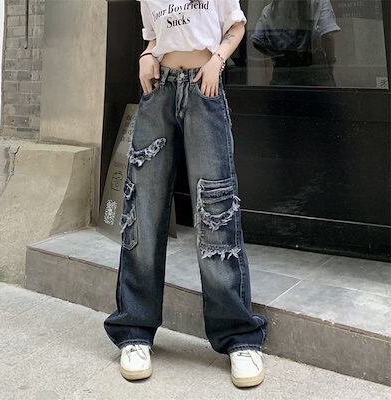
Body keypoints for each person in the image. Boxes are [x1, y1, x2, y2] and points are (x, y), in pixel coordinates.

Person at [104, 0, 268, 388]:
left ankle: (239, 337)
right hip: (158, 89)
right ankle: (134, 331)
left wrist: (217, 61)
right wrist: (146, 55)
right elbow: (154, 38)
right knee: (143, 210)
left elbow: (237, 26)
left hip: (203, 87)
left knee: (216, 209)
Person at [250, 0, 340, 86]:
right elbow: (327, 36)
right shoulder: (319, 2)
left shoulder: (269, 9)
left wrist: (276, 55)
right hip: (314, 73)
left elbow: (257, 41)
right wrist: (330, 61)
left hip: (283, 75)